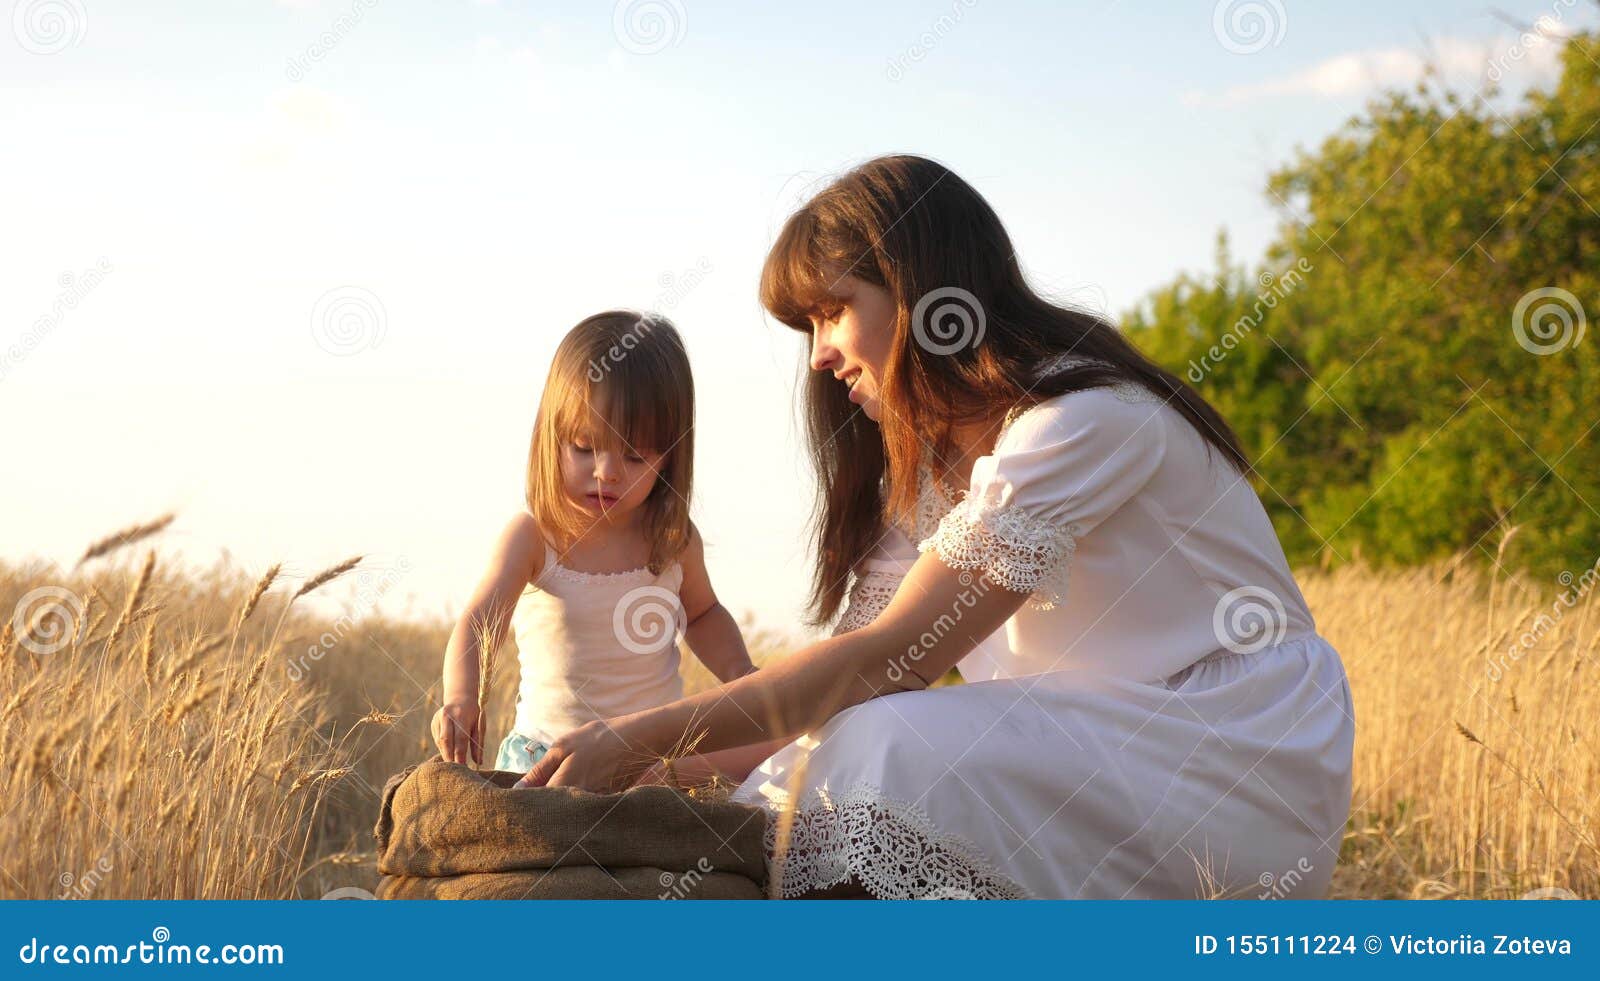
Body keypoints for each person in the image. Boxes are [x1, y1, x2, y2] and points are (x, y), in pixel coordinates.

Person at [515, 156, 1356, 900]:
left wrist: (633, 737)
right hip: (1103, 742)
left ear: (921, 289)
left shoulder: (1084, 422)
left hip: (1229, 760)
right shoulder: (932, 482)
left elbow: (891, 661)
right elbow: (822, 712)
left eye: (832, 311)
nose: (817, 354)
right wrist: (650, 780)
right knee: (832, 761)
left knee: (888, 747)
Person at [431, 311, 757, 779]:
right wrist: (461, 697)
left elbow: (703, 615)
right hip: (544, 760)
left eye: (633, 454)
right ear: (552, 439)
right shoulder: (533, 536)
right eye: (584, 447)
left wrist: (741, 675)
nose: (606, 471)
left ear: (669, 457)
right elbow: (480, 621)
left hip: (650, 764)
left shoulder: (672, 538)